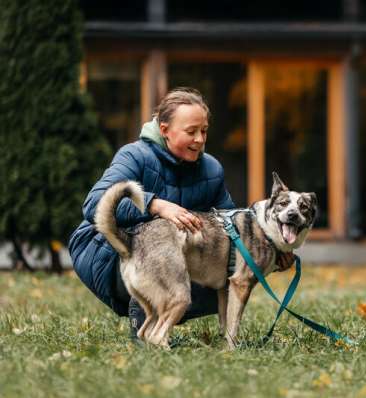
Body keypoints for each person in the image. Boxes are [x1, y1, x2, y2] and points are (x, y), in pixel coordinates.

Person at [68, 87, 294, 340]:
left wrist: (271, 254)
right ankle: (146, 312)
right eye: (191, 132)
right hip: (105, 249)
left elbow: (233, 232)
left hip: (171, 252)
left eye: (204, 131)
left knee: (226, 271)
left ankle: (156, 318)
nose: (199, 139)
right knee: (166, 268)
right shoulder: (135, 155)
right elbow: (94, 205)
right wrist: (156, 205)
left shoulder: (211, 168)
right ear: (164, 130)